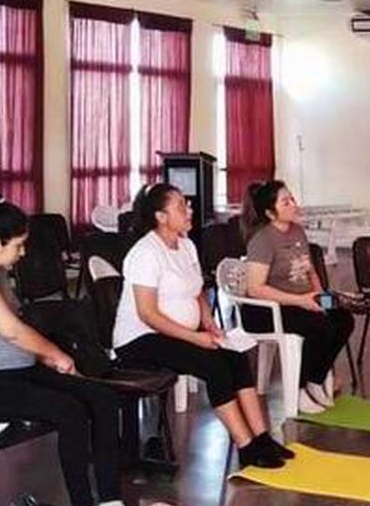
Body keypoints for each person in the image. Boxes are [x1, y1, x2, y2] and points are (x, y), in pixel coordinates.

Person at [0, 193, 151, 506]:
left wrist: (52, 358)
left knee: (102, 398)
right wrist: (58, 357)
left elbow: (18, 332)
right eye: (17, 245)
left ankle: (110, 505)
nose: (22, 253)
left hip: (15, 374)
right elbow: (12, 330)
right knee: (70, 410)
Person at [113, 183, 289, 468]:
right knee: (214, 366)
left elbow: (197, 291)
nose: (189, 210)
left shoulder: (186, 245)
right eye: (182, 206)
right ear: (160, 217)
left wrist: (209, 323)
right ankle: (244, 445)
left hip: (176, 334)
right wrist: (195, 339)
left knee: (236, 357)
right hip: (141, 339)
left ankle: (262, 438)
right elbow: (148, 314)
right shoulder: (145, 252)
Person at [241, 180, 355, 414]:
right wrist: (302, 301)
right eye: (286, 201)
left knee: (343, 319)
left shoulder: (298, 231)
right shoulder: (262, 240)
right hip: (267, 309)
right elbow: (255, 289)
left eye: (292, 198)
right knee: (319, 326)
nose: (294, 204)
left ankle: (316, 379)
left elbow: (310, 270)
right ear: (271, 213)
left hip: (303, 299)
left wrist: (322, 298)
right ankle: (298, 388)